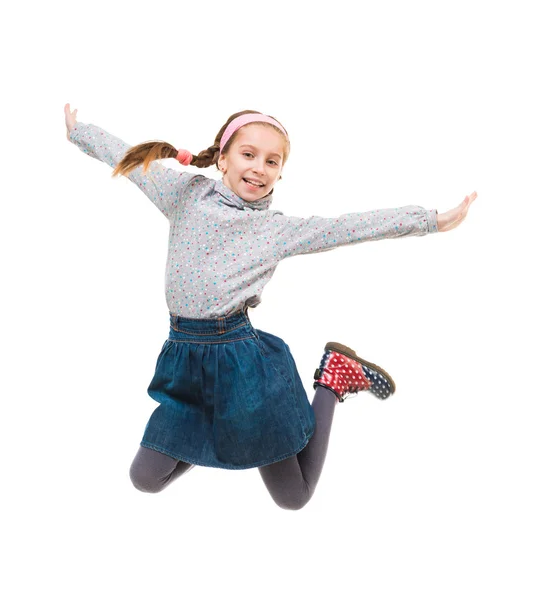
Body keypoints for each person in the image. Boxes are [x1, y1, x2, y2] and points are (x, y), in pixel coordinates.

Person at [64, 103, 477, 510]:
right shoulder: (184, 195)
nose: (259, 168)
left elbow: (348, 228)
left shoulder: (275, 229)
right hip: (185, 362)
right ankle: (217, 434)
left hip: (243, 366)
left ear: (281, 171)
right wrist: (79, 131)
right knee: (145, 478)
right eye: (248, 155)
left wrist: (431, 220)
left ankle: (334, 379)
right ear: (222, 160)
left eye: (272, 161)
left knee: (293, 497)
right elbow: (130, 161)